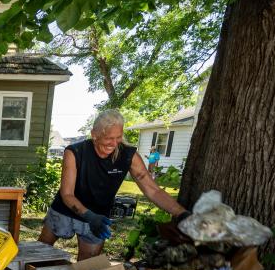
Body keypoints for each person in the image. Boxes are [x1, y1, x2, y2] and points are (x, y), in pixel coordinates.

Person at [40, 110, 189, 260]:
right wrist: (89, 216)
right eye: (109, 138)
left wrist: (181, 213)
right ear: (94, 134)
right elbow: (67, 194)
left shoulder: (128, 155)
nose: (114, 143)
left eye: (118, 137)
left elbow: (153, 190)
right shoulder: (75, 152)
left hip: (99, 216)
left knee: (86, 267)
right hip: (65, 210)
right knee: (41, 253)